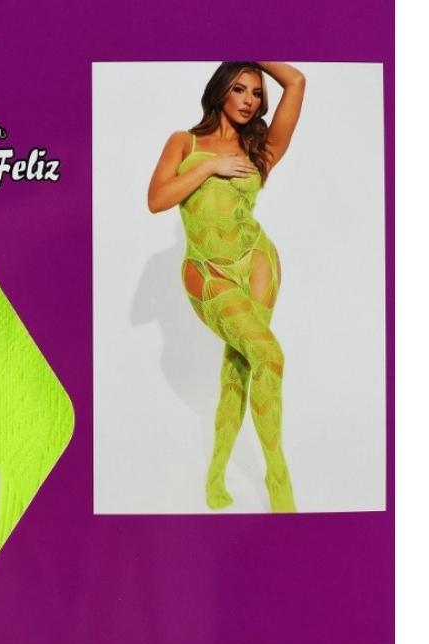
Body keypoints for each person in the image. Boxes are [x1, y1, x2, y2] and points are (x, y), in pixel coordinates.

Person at [147, 62, 305, 513]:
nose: (249, 100)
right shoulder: (185, 142)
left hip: (257, 261)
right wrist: (211, 166)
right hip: (207, 270)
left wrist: (251, 39)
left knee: (243, 364)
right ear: (220, 91)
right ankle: (277, 479)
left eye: (256, 92)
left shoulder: (261, 147)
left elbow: (296, 81)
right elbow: (157, 200)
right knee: (269, 356)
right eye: (239, 89)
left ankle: (220, 477)